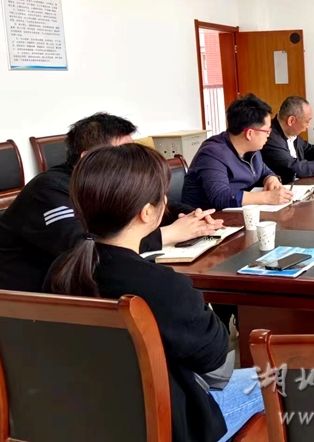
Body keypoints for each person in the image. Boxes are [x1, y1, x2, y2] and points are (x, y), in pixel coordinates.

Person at [46, 144, 264, 442]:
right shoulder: (161, 286)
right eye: (162, 195)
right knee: (283, 381)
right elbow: (216, 365)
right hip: (166, 424)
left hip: (85, 419)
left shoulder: (61, 270)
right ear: (148, 212)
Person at [0, 113, 221, 293]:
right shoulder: (48, 191)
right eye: (123, 153)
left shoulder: (104, 184)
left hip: (81, 290)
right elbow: (87, 247)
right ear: (88, 159)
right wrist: (168, 234)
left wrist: (192, 216)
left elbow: (145, 202)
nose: (131, 161)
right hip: (28, 305)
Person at [182, 94, 294, 210]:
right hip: (208, 217)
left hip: (240, 213)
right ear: (249, 134)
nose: (269, 135)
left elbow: (264, 171)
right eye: (267, 131)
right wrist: (267, 197)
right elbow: (221, 196)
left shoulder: (252, 150)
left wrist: (271, 178)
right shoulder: (212, 154)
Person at [261, 96, 314, 184]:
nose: (308, 126)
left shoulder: (291, 133)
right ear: (291, 120)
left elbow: (308, 150)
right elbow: (295, 168)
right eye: (307, 121)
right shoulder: (270, 138)